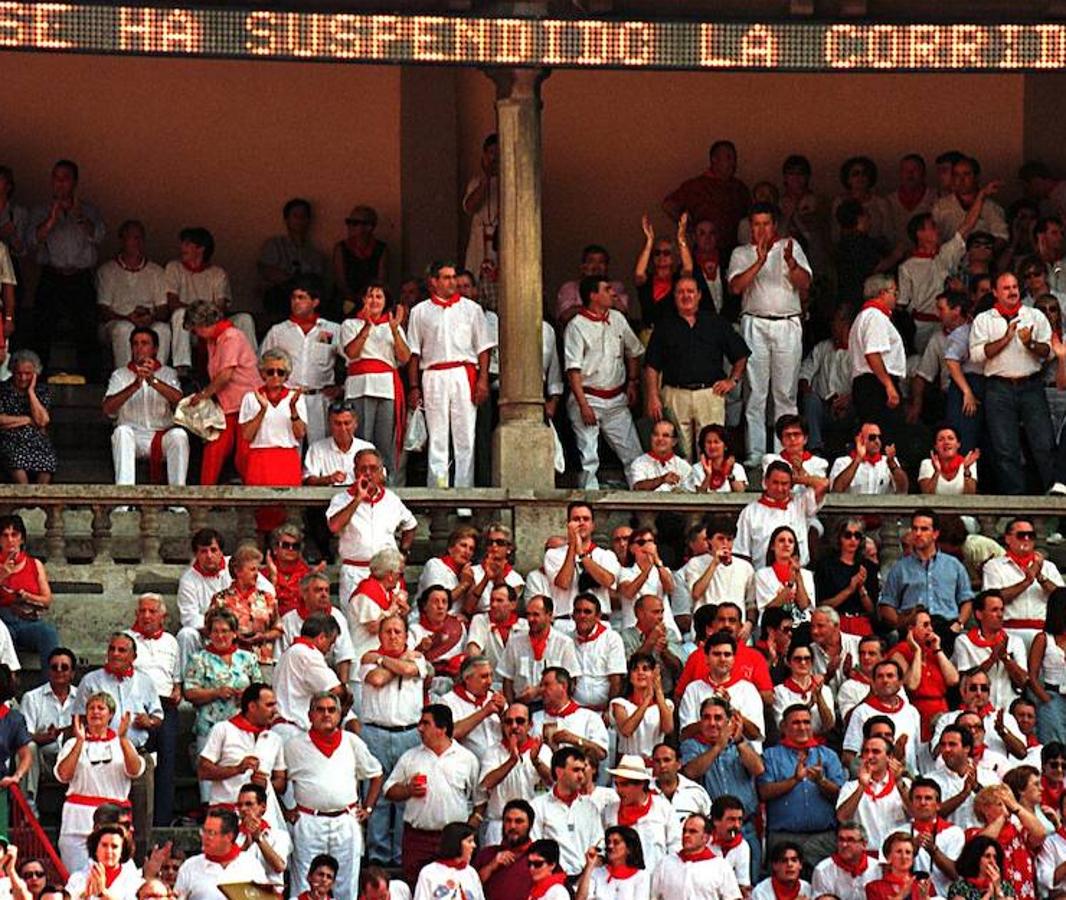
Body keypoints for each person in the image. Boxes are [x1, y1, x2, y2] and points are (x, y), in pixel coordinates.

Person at [728, 203, 812, 464]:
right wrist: (760, 261)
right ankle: (755, 452)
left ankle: (782, 453)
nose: (761, 229)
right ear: (750, 227)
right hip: (755, 322)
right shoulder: (742, 253)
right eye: (756, 224)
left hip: (787, 322)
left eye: (766, 224)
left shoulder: (791, 246)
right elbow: (735, 287)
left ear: (774, 225)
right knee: (755, 392)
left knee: (785, 393)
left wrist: (791, 264)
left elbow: (805, 284)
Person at [285, 691, 384, 900]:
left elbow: (376, 774)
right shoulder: (294, 745)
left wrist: (367, 808)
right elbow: (279, 780)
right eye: (320, 710)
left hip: (345, 819)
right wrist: (286, 809)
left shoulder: (351, 741)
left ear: (339, 715)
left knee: (345, 882)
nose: (326, 714)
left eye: (331, 710)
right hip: (309, 820)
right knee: (304, 880)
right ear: (310, 715)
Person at [406, 261, 493, 489]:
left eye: (453, 277)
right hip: (433, 374)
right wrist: (414, 387)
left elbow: (483, 348)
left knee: (465, 436)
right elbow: (413, 353)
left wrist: (483, 379)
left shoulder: (471, 309)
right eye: (446, 277)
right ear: (433, 282)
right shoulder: (420, 311)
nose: (452, 282)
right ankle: (438, 491)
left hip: (464, 373)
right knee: (437, 436)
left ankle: (464, 493)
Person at [642, 275, 749, 459]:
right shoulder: (664, 326)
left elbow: (741, 355)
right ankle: (682, 487)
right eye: (681, 292)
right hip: (674, 394)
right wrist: (652, 396)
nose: (686, 296)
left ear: (699, 295)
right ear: (674, 296)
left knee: (711, 449)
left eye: (690, 291)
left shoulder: (716, 323)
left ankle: (709, 487)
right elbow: (652, 365)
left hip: (709, 393)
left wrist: (733, 380)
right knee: (678, 452)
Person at [969, 271, 1055, 494]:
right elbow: (977, 355)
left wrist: (1030, 345)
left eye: (1015, 287)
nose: (1012, 291)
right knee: (1005, 449)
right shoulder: (984, 319)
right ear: (996, 292)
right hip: (999, 388)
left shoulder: (1035, 315)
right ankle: (1015, 504)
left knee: (1044, 445)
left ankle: (1055, 499)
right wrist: (1006, 339)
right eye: (1006, 288)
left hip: (1031, 386)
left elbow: (1049, 352)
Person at [382, 704, 481, 886]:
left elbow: (480, 797)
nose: (419, 728)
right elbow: (388, 790)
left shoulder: (467, 759)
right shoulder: (410, 757)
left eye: (426, 723)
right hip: (417, 838)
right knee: (416, 886)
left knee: (454, 887)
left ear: (442, 728)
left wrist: (474, 822)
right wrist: (408, 790)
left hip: (454, 838)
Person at [564, 276, 644, 488]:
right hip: (588, 397)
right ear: (593, 295)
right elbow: (573, 370)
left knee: (634, 456)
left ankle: (643, 509)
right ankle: (588, 510)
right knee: (589, 458)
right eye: (607, 289)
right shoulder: (576, 326)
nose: (613, 293)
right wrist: (583, 405)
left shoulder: (617, 318)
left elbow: (634, 351)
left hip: (617, 399)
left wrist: (633, 382)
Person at [29, 159, 105, 374]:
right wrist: (52, 219)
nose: (60, 183)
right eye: (56, 178)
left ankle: (91, 378)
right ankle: (36, 376)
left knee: (87, 329)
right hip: (52, 274)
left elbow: (99, 235)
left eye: (65, 179)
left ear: (75, 182)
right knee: (41, 328)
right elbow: (32, 241)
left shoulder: (89, 209)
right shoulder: (41, 209)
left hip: (80, 276)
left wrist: (79, 215)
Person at [55, 693, 143, 873]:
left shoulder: (122, 744)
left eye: (100, 708)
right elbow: (63, 775)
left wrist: (124, 739)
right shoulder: (72, 743)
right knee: (76, 878)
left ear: (110, 714)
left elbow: (135, 770)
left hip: (113, 821)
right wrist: (80, 741)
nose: (95, 712)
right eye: (91, 708)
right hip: (76, 821)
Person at [680, 697, 765, 877]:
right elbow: (691, 772)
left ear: (728, 721)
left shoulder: (741, 745)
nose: (712, 723)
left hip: (744, 828)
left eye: (718, 718)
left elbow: (758, 769)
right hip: (711, 832)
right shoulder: (691, 745)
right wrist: (718, 746)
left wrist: (739, 740)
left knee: (747, 888)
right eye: (706, 718)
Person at [184, 300, 263, 485]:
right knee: (214, 449)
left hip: (246, 405)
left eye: (195, 330)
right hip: (228, 405)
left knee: (244, 455)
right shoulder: (215, 340)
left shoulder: (231, 336)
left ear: (203, 324)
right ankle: (205, 497)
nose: (196, 335)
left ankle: (253, 498)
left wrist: (203, 395)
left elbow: (225, 375)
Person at [327, 447, 417, 609]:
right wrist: (358, 499)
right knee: (355, 625)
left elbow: (410, 525)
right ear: (355, 471)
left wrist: (404, 551)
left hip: (387, 574)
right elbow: (334, 526)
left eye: (373, 469)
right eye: (363, 469)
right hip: (356, 571)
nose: (368, 473)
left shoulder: (392, 500)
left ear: (381, 472)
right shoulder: (341, 499)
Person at [759, 704, 847, 868]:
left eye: (806, 722)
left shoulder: (828, 755)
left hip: (823, 839)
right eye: (796, 723)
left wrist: (822, 782)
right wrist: (794, 780)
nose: (802, 727)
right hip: (783, 839)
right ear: (783, 727)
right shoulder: (770, 755)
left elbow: (841, 797)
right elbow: (764, 792)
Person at [258, 276, 340, 446]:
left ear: (315, 302)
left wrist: (341, 387)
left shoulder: (332, 329)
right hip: (287, 397)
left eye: (301, 298)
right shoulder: (278, 331)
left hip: (320, 399)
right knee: (289, 447)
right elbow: (261, 364)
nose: (296, 302)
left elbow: (351, 360)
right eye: (294, 298)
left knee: (320, 448)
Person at [341, 281, 410, 478]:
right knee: (361, 439)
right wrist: (366, 327)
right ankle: (357, 482)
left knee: (384, 442)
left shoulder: (391, 327)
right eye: (370, 296)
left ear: (385, 301)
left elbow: (404, 358)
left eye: (379, 297)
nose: (374, 300)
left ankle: (384, 484)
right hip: (359, 387)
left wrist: (395, 330)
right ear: (363, 300)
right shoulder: (350, 324)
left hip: (386, 388)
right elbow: (351, 353)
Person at [102, 327, 187, 486]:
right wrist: (134, 386)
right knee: (121, 432)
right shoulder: (120, 375)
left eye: (145, 343)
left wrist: (153, 381)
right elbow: (108, 409)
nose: (139, 348)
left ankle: (178, 502)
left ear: (155, 349)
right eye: (135, 344)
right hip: (133, 436)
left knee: (179, 435)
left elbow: (180, 403)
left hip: (161, 436)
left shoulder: (168, 373)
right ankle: (124, 501)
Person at [165, 227, 256, 373]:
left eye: (187, 244)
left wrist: (204, 320)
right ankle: (182, 369)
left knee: (245, 319)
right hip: (189, 330)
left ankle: (252, 368)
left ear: (201, 249)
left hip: (214, 326)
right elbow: (172, 302)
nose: (182, 248)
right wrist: (198, 317)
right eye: (182, 243)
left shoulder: (217, 273)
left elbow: (221, 308)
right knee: (179, 314)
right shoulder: (174, 268)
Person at [125, 594, 180, 828]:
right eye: (142, 611)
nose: (146, 616)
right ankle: (132, 820)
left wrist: (177, 690)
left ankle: (162, 822)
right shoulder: (127, 638)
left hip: (166, 706)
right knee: (134, 762)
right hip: (136, 707)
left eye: (152, 611)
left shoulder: (171, 642)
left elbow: (176, 678)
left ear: (162, 616)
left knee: (166, 764)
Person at [879, 511, 973, 642]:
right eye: (915, 529)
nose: (918, 534)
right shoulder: (899, 568)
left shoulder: (954, 565)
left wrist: (958, 624)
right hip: (912, 630)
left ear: (935, 533)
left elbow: (966, 600)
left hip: (947, 629)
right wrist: (901, 624)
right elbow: (887, 604)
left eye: (924, 529)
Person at [196, 682, 286, 819]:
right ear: (252, 707)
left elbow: (281, 782)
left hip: (262, 817)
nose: (275, 711)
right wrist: (237, 769)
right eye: (269, 705)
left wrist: (267, 784)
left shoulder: (275, 739)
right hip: (226, 814)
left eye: (274, 704)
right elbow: (203, 771)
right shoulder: (223, 729)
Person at [95, 220, 170, 367]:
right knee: (124, 329)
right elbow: (103, 310)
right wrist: (128, 318)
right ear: (122, 240)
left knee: (163, 330)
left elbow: (163, 308)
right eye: (133, 237)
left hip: (148, 322)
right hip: (116, 322)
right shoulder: (107, 271)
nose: (138, 242)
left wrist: (150, 317)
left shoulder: (156, 271)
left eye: (140, 238)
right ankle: (126, 379)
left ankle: (157, 378)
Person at [982, 518, 1064, 651]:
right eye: (1021, 535)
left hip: (1044, 634)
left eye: (1030, 535)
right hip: (1008, 631)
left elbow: (1062, 599)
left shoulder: (1048, 567)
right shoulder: (994, 566)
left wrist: (1041, 577)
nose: (1026, 539)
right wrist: (1026, 582)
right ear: (1008, 539)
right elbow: (993, 600)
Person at [662, 140, 751, 260]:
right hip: (704, 252)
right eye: (728, 158)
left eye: (734, 158)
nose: (733, 163)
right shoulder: (696, 185)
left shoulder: (739, 188)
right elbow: (669, 205)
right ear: (714, 160)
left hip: (733, 252)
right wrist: (688, 227)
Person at [477, 710, 550, 846]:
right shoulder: (493, 752)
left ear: (530, 725)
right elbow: (486, 784)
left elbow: (553, 781)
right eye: (509, 722)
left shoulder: (542, 750)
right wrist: (511, 761)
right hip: (500, 826)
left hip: (534, 826)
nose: (514, 726)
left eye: (520, 721)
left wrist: (536, 761)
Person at [734, 461, 828, 567]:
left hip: (797, 574)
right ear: (765, 481)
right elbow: (742, 553)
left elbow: (823, 484)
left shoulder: (800, 504)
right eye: (775, 482)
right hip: (763, 576)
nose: (779, 488)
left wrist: (796, 479)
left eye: (784, 483)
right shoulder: (750, 512)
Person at [544, 501, 621, 627]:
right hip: (566, 622)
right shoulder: (553, 554)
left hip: (599, 622)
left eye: (586, 519)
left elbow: (608, 581)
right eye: (576, 519)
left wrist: (582, 554)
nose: (581, 523)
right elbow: (563, 583)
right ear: (568, 524)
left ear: (592, 525)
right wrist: (573, 547)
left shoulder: (606, 555)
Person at [530, 747, 605, 877]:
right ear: (559, 772)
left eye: (583, 769)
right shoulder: (538, 806)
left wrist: (588, 872)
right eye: (576, 770)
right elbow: (534, 847)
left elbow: (599, 846)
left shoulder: (591, 807)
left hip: (587, 880)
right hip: (552, 882)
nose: (581, 776)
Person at [889, 608, 960, 744]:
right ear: (911, 629)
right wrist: (916, 651)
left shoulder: (932, 650)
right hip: (919, 713)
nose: (931, 629)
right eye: (925, 625)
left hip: (942, 711)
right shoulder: (900, 652)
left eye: (931, 625)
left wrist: (938, 649)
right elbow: (912, 684)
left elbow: (954, 680)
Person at [21, 645, 77, 814]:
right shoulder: (32, 698)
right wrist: (45, 737)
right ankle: (28, 803)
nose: (59, 671)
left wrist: (67, 732)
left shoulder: (82, 698)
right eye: (54, 667)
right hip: (43, 758)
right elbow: (23, 736)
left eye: (64, 667)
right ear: (48, 671)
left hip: (71, 757)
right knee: (28, 748)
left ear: (73, 673)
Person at [834, 736, 909, 859]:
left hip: (897, 857)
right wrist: (862, 786)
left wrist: (899, 783)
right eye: (866, 752)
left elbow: (915, 814)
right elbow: (842, 818)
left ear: (889, 757)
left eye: (876, 752)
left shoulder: (904, 784)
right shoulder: (850, 787)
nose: (869, 756)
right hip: (864, 857)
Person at [257, 197, 328, 327]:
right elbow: (267, 271)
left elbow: (317, 282)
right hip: (280, 295)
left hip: (307, 298)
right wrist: (294, 282)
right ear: (287, 219)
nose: (300, 220)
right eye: (295, 216)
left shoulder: (315, 254)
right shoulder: (274, 245)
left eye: (303, 216)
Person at [0, 513, 59, 667]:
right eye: (5, 535)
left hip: (28, 620)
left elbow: (47, 600)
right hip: (3, 621)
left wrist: (27, 596)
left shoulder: (34, 564)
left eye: (14, 535)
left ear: (22, 538)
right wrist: (2, 576)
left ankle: (50, 686)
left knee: (48, 633)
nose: (10, 540)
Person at [172, 807, 269, 900]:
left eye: (211, 833)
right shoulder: (190, 866)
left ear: (229, 837)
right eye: (204, 831)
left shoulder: (251, 865)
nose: (205, 837)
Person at [277, 572, 354, 686]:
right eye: (318, 590)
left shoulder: (337, 616)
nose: (324, 595)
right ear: (304, 594)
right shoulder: (288, 620)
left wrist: (343, 690)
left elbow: (344, 657)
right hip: (295, 681)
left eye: (326, 590)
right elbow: (279, 659)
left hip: (328, 679)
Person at [951, 592, 1026, 710]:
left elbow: (1023, 682)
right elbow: (965, 682)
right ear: (979, 614)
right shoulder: (964, 642)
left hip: (1009, 710)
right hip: (977, 710)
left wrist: (1005, 658)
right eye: (994, 610)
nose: (1000, 614)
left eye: (1002, 610)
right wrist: (992, 659)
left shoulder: (1015, 641)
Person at [651, 812, 742, 900]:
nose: (686, 835)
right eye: (684, 831)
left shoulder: (721, 867)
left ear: (705, 837)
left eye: (693, 832)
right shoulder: (665, 864)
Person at [814, 519, 878, 636]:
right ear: (839, 538)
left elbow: (872, 610)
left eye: (857, 536)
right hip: (835, 622)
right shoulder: (826, 566)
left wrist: (861, 589)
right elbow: (822, 605)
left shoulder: (869, 567)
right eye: (848, 535)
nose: (853, 540)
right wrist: (849, 589)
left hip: (861, 622)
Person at [0, 350, 55, 484]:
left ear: (35, 374)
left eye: (28, 374)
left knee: (47, 459)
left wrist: (31, 393)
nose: (23, 378)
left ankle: (39, 501)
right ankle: (25, 499)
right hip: (9, 439)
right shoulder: (2, 390)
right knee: (16, 458)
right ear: (12, 371)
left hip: (36, 440)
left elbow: (42, 421)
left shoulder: (42, 391)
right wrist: (28, 420)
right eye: (19, 373)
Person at [908, 777, 966, 897]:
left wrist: (934, 850)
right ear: (911, 803)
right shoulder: (897, 832)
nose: (923, 802)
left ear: (938, 805)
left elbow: (955, 874)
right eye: (918, 798)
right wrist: (911, 850)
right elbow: (888, 872)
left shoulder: (954, 832)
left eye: (928, 798)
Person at [612, 654, 675, 760]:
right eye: (635, 669)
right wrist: (646, 700)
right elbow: (626, 730)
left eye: (646, 669)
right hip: (628, 765)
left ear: (654, 675)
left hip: (654, 765)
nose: (640, 672)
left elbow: (668, 728)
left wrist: (658, 690)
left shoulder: (666, 704)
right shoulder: (620, 704)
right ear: (630, 677)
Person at [753, 526, 816, 629]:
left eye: (790, 541)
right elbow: (771, 607)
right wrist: (790, 584)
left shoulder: (806, 575)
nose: (786, 544)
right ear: (772, 546)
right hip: (773, 628)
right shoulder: (762, 574)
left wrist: (798, 576)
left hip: (801, 627)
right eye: (782, 540)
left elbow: (803, 605)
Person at [474, 799, 536, 900]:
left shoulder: (541, 856)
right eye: (508, 820)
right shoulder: (486, 854)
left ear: (530, 824)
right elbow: (468, 887)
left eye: (519, 821)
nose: (512, 826)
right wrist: (491, 866)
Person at [556, 244, 632, 325]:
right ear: (583, 267)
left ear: (607, 267)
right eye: (591, 262)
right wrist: (595, 306)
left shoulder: (616, 286)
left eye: (601, 262)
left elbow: (623, 313)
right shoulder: (569, 287)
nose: (596, 267)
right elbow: (564, 317)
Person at [65, 824, 142, 900]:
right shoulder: (77, 879)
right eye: (104, 845)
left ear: (122, 851)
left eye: (114, 846)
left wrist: (103, 894)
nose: (108, 851)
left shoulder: (134, 882)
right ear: (96, 849)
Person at [1029, 587, 1066, 743]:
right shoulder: (1043, 639)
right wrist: (1046, 699)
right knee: (1055, 743)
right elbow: (1032, 675)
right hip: (1053, 695)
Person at [830, 423, 909, 495]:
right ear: (860, 439)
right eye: (872, 437)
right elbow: (836, 491)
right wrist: (858, 459)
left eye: (879, 437)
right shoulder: (842, 462)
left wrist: (892, 464)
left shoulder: (888, 462)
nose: (877, 441)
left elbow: (903, 489)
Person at [576, 825, 650, 900]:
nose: (610, 846)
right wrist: (589, 866)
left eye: (616, 842)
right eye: (608, 842)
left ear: (629, 849)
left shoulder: (641, 876)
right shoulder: (596, 873)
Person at [809, 822, 878, 900]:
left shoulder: (878, 868)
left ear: (864, 844)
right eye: (841, 840)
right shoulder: (822, 870)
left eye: (850, 840)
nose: (844, 845)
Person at [463, 135, 499, 275]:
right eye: (491, 153)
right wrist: (486, 179)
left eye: (498, 153)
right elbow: (470, 207)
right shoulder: (476, 182)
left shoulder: (511, 184)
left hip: (499, 243)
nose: (494, 158)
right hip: (479, 245)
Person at [628, 420, 693, 492]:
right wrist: (662, 480)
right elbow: (637, 488)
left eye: (665, 435)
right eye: (656, 434)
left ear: (674, 441)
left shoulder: (684, 466)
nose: (660, 439)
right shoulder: (639, 463)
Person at [945, 834, 1015, 900]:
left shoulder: (1005, 887)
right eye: (987, 856)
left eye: (995, 857)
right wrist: (988, 895)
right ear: (976, 859)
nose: (992, 861)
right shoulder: (960, 887)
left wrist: (998, 889)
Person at [683, 424, 747, 493]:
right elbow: (697, 497)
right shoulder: (697, 468)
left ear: (725, 446)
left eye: (716, 442)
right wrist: (708, 476)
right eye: (708, 442)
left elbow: (740, 492)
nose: (712, 446)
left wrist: (729, 473)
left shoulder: (736, 467)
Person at [918, 426, 979, 497]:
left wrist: (966, 470)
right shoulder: (927, 464)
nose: (946, 442)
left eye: (951, 438)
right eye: (941, 440)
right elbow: (926, 496)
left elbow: (970, 496)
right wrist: (936, 472)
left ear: (958, 444)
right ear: (936, 446)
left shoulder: (969, 462)